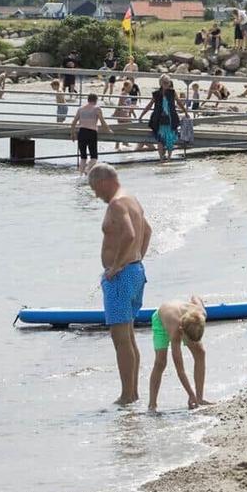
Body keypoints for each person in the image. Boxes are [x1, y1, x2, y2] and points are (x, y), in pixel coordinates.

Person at [89, 163, 151, 405]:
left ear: (104, 182)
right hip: (135, 271)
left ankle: (127, 395)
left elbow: (130, 234)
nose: (95, 195)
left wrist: (116, 266)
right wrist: (136, 259)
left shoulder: (116, 204)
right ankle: (132, 393)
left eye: (95, 188)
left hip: (121, 276)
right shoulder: (131, 199)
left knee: (121, 339)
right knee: (129, 336)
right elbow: (147, 231)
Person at [148, 296, 211, 412]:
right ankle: (152, 404)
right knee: (160, 362)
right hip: (161, 320)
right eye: (189, 339)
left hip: (182, 315)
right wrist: (190, 394)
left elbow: (195, 297)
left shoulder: (201, 313)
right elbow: (180, 370)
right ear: (182, 331)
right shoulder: (176, 331)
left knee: (200, 352)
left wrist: (193, 300)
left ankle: (200, 398)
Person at [136, 74, 182, 162]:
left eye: (167, 83)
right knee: (160, 139)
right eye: (164, 82)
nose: (166, 84)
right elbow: (149, 105)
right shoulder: (156, 94)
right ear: (160, 83)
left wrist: (186, 112)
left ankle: (169, 158)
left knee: (170, 138)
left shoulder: (172, 93)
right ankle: (161, 159)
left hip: (170, 119)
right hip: (159, 119)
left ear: (169, 83)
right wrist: (141, 115)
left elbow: (179, 102)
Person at [70, 92, 112, 174]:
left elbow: (74, 122)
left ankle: (80, 175)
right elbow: (102, 121)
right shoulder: (96, 108)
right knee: (94, 157)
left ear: (88, 100)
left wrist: (72, 133)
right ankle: (88, 169)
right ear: (95, 100)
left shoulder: (81, 109)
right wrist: (108, 130)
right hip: (91, 132)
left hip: (81, 132)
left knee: (83, 157)